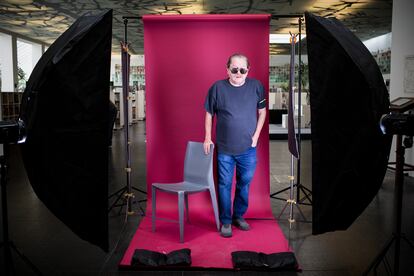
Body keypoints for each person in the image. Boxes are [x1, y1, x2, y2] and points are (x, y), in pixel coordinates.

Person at [203, 53, 266, 238]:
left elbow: (262, 112)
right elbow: (209, 114)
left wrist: (256, 136)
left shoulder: (256, 87)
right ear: (227, 69)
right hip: (225, 149)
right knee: (224, 184)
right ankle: (226, 221)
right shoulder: (217, 88)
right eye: (235, 69)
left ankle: (238, 216)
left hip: (248, 148)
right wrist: (207, 137)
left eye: (243, 70)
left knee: (244, 184)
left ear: (248, 70)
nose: (239, 73)